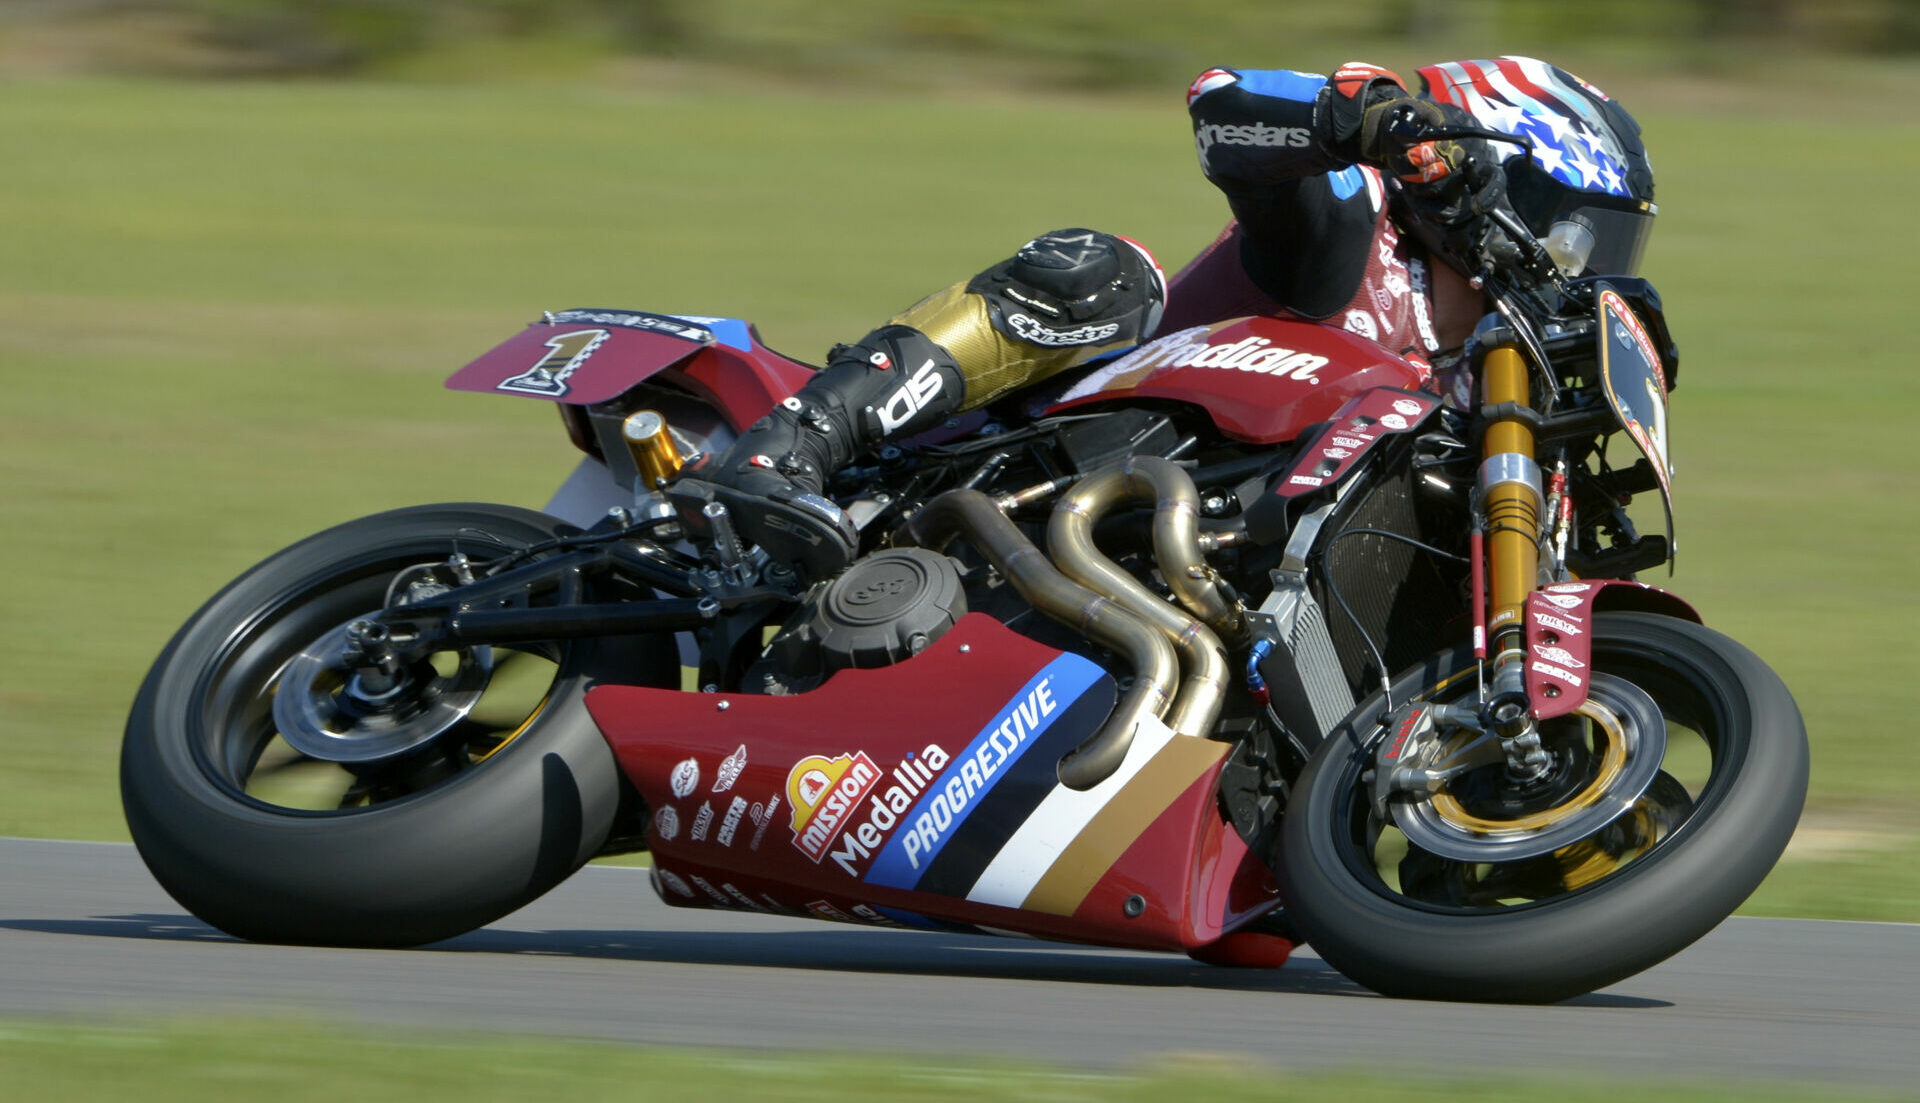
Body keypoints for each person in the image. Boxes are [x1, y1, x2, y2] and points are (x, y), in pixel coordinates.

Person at [671, 57, 1657, 578]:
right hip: (1039, 446)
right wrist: (1362, 122)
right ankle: (796, 444)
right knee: (1107, 269)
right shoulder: (1352, 228)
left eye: (1611, 250)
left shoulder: (1486, 377)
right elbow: (1217, 106)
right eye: (1574, 233)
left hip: (1176, 558)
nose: (1580, 268)